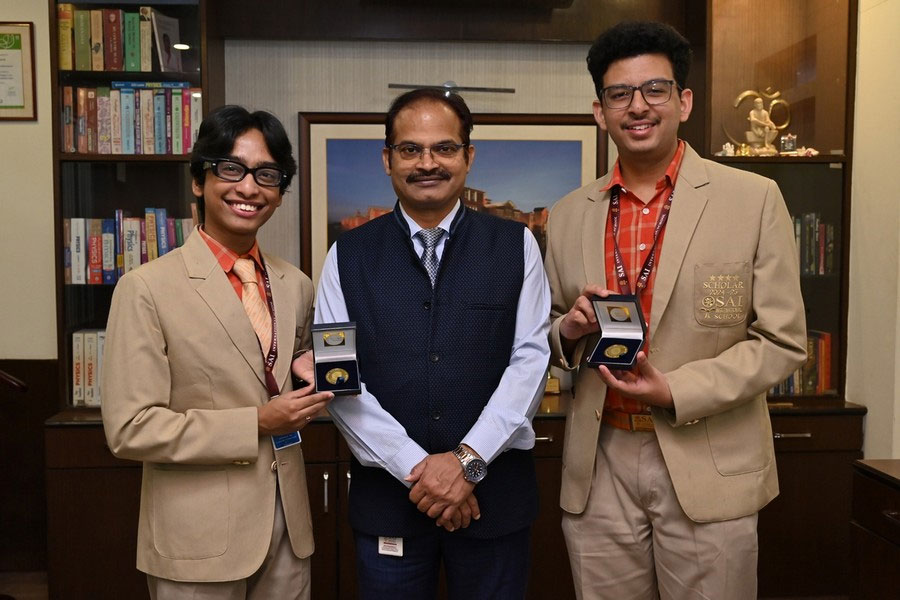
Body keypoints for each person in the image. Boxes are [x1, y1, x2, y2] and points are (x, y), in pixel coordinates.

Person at [544, 22, 807, 599]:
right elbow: (549, 333)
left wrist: (675, 390)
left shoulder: (754, 199)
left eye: (655, 90)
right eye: (620, 94)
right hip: (600, 463)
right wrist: (568, 328)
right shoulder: (567, 215)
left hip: (707, 459)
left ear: (683, 102)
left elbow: (782, 341)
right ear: (600, 112)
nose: (638, 106)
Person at [315, 88, 551, 600]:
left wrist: (466, 463)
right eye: (410, 149)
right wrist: (420, 471)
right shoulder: (346, 255)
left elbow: (530, 363)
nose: (427, 163)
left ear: (468, 157)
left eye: (444, 148)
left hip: (494, 504)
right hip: (389, 506)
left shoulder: (516, 245)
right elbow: (339, 378)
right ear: (387, 159)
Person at [101, 105, 333, 599]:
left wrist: (308, 370)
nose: (249, 188)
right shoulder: (146, 288)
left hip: (289, 531)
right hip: (198, 538)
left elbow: (276, 373)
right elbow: (130, 428)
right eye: (231, 169)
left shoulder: (294, 284)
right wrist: (257, 423)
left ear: (280, 192)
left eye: (267, 175)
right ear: (198, 180)